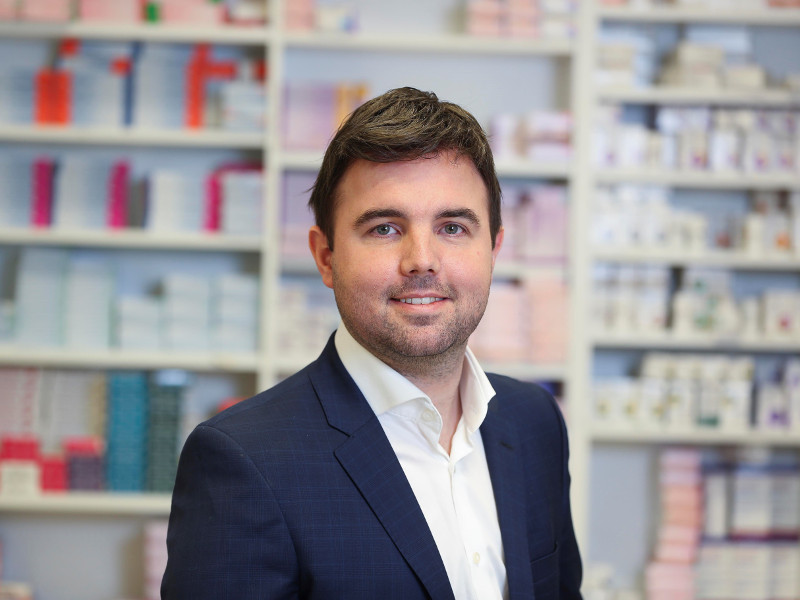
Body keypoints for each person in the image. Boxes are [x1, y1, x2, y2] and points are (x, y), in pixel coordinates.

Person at [161, 86, 583, 600]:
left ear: (493, 248)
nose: (422, 260)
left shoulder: (533, 421)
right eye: (385, 228)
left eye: (453, 227)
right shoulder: (245, 461)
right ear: (325, 256)